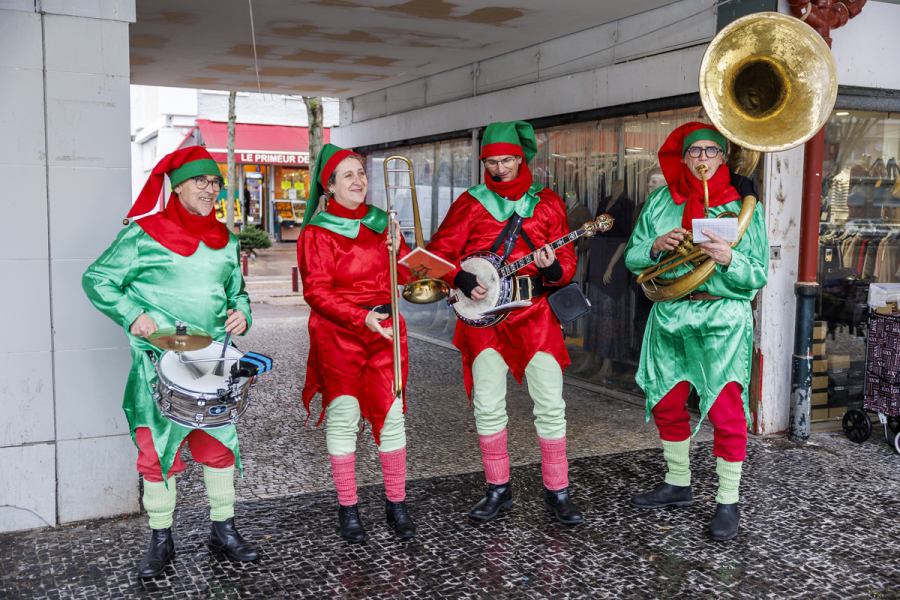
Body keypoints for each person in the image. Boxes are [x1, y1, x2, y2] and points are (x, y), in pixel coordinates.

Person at [82, 147, 258, 577]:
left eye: (215, 182)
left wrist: (243, 312)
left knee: (218, 449)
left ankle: (224, 531)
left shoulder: (226, 242)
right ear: (176, 186)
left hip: (212, 365)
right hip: (158, 365)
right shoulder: (142, 234)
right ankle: (161, 541)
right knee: (157, 455)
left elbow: (237, 293)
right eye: (200, 180)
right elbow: (97, 278)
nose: (209, 189)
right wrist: (131, 314)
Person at [426, 121, 583, 525]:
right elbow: (439, 255)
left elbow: (566, 264)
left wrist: (552, 272)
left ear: (522, 158)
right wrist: (459, 278)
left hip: (535, 315)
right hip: (484, 322)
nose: (499, 169)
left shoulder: (547, 203)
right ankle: (498, 489)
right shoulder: (470, 202)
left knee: (551, 406)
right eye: (491, 162)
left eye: (507, 160)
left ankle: (558, 491)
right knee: (488, 406)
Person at [624, 122, 768, 541]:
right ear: (684, 158)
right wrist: (654, 246)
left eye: (711, 151)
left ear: (723, 158)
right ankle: (678, 483)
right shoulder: (659, 203)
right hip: (670, 314)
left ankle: (728, 501)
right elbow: (634, 255)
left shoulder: (743, 208)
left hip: (722, 319)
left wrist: (727, 258)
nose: (702, 159)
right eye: (695, 152)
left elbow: (756, 273)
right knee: (666, 403)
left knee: (725, 410)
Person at [297, 143, 415, 543]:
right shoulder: (317, 232)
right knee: (345, 418)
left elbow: (403, 279)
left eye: (361, 173)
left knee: (393, 414)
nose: (358, 180)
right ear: (328, 187)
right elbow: (316, 292)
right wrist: (360, 317)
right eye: (347, 175)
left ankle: (396, 503)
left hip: (386, 331)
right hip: (340, 332)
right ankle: (348, 508)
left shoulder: (384, 222)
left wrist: (401, 253)